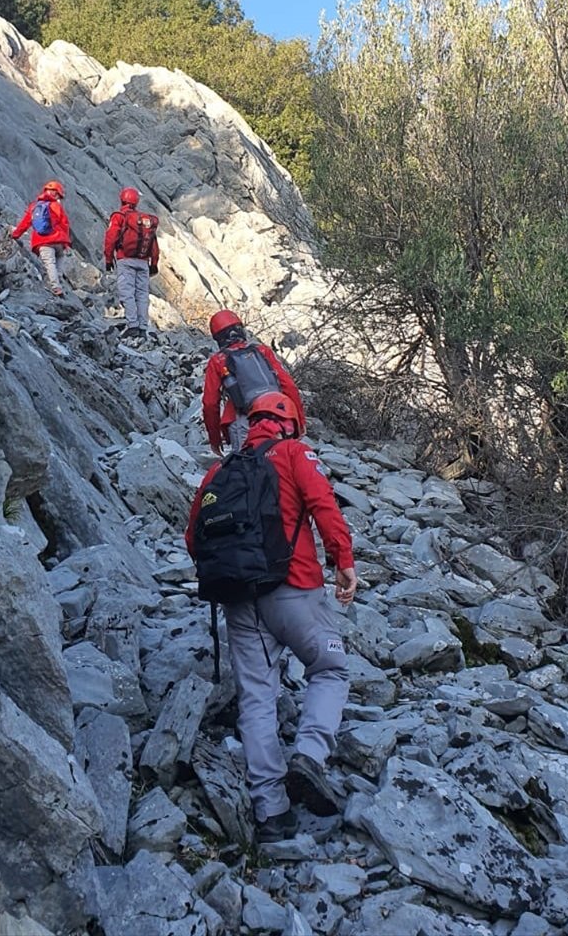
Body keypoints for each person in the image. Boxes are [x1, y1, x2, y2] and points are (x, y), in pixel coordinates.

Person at [184, 391, 357, 842]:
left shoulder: (219, 472)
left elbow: (192, 538)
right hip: (294, 589)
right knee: (330, 668)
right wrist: (344, 561)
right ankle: (310, 756)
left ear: (248, 423)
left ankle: (271, 810)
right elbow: (324, 507)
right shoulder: (296, 452)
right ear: (291, 422)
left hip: (240, 599)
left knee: (258, 695)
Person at [202, 310, 306, 455]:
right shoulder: (262, 350)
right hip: (279, 414)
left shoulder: (218, 360)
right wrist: (299, 421)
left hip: (243, 420)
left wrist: (215, 440)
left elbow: (210, 404)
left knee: (248, 468)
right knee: (283, 463)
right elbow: (289, 386)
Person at [103, 187, 159, 340]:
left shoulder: (120, 216)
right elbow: (153, 243)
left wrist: (108, 258)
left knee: (127, 292)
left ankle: (132, 325)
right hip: (143, 262)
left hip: (125, 259)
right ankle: (142, 327)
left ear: (122, 200)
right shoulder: (144, 221)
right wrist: (154, 263)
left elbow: (111, 237)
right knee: (142, 294)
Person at [9, 180, 71, 296]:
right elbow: (65, 225)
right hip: (59, 241)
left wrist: (15, 235)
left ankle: (55, 287)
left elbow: (25, 223)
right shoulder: (57, 206)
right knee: (59, 261)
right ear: (57, 194)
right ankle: (59, 283)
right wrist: (65, 243)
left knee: (49, 263)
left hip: (42, 241)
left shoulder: (34, 206)